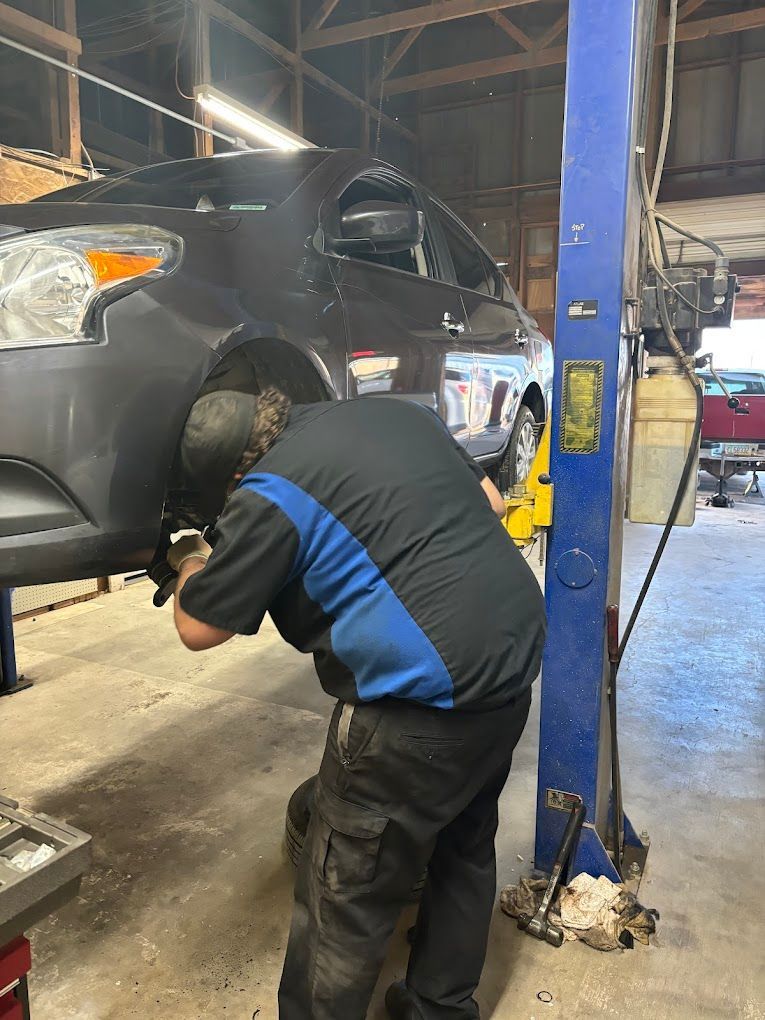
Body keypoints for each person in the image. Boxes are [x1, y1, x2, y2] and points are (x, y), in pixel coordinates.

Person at [165, 387, 546, 1020]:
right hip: (510, 667)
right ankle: (439, 1008)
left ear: (233, 476)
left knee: (343, 894)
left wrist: (190, 558)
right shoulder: (397, 410)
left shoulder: (269, 492)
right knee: (463, 847)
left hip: (416, 707)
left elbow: (197, 627)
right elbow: (492, 501)